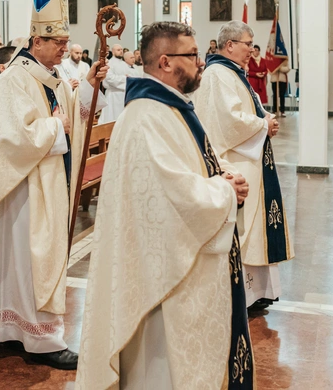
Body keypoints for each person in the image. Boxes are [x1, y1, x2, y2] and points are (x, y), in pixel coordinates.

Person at [76, 21, 253, 389]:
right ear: (165, 62)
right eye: (192, 55)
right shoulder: (145, 118)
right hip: (160, 284)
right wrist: (223, 192)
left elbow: (192, 164)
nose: (201, 62)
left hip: (176, 269)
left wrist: (224, 175)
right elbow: (170, 198)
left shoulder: (170, 108)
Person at [0, 0, 107, 370]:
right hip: (23, 187)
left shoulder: (49, 76)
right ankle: (41, 339)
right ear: (37, 41)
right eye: (58, 42)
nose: (64, 48)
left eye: (66, 41)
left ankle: (6, 329)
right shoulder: (15, 80)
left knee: (25, 260)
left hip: (44, 181)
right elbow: (12, 137)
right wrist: (54, 128)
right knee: (30, 259)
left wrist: (89, 84)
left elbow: (72, 116)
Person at [194, 20, 293, 311]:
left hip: (248, 158)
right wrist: (263, 123)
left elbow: (247, 107)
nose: (252, 49)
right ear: (230, 45)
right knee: (243, 226)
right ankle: (241, 294)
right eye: (248, 43)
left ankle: (258, 291)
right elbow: (228, 120)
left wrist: (265, 117)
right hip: (236, 161)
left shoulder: (232, 73)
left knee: (254, 226)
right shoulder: (217, 74)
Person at [98, 44, 132, 125]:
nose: (121, 51)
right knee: (112, 117)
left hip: (124, 94)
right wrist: (124, 78)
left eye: (121, 50)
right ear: (113, 52)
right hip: (113, 95)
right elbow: (109, 78)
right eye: (118, 50)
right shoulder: (109, 63)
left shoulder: (124, 64)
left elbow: (130, 76)